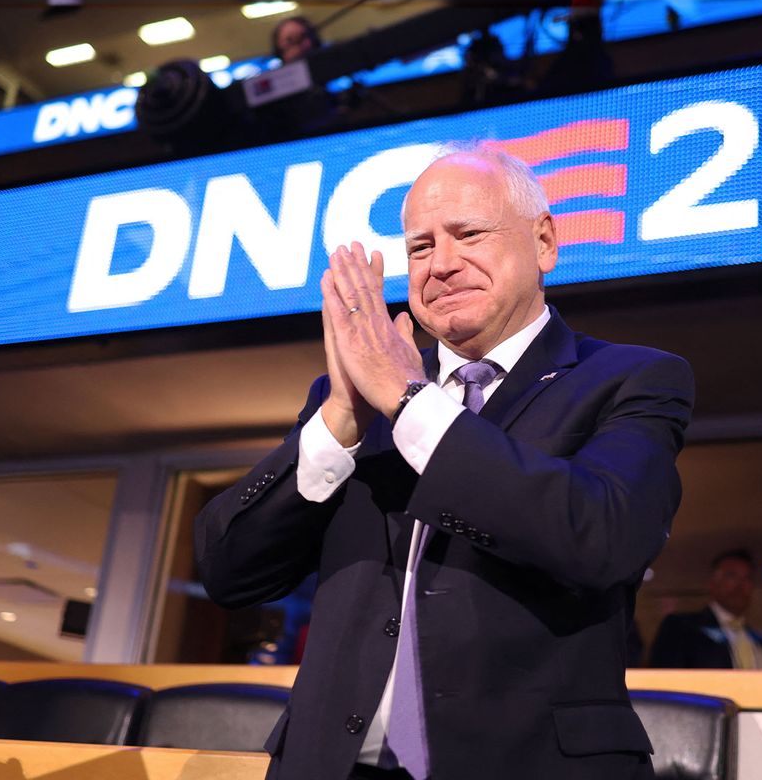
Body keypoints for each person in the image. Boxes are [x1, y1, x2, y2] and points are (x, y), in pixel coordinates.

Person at [195, 146, 694, 780]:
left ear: (543, 242)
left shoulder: (632, 378)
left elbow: (601, 537)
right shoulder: (351, 400)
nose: (442, 265)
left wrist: (410, 403)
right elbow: (229, 571)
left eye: (469, 234)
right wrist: (342, 421)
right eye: (420, 247)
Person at [647, 548, 762, 670]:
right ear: (712, 583)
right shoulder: (681, 628)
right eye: (731, 576)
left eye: (747, 578)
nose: (740, 585)